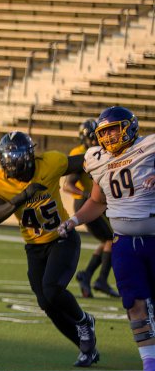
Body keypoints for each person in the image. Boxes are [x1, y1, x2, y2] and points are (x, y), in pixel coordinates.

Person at [58, 107, 155, 371]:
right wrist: (74, 220)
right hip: (124, 243)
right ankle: (150, 367)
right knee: (134, 304)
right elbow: (97, 201)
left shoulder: (149, 147)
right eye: (105, 132)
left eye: (114, 129)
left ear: (130, 127)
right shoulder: (97, 159)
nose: (109, 136)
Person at [0, 132, 98, 367]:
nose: (13, 168)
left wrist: (107, 169)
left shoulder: (50, 163)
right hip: (34, 247)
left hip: (62, 237)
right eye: (8, 162)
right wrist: (20, 198)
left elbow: (86, 162)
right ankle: (86, 348)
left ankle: (84, 321)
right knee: (46, 303)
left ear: (28, 158)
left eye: (16, 162)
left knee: (52, 289)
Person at [62, 119, 119, 298]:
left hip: (98, 202)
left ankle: (86, 275)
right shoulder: (81, 154)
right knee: (112, 239)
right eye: (92, 138)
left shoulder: (99, 152)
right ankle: (100, 279)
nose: (95, 141)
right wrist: (87, 194)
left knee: (108, 240)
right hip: (87, 203)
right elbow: (67, 185)